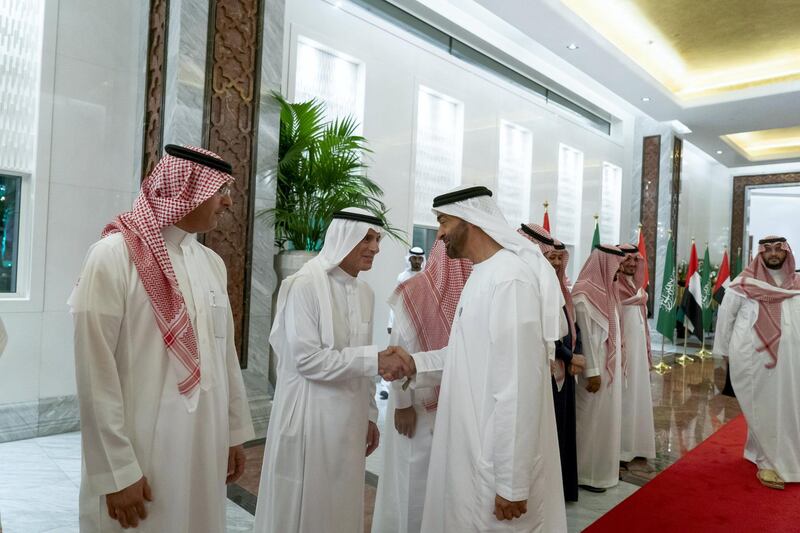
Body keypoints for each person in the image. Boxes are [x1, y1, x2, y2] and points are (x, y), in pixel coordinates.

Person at [69, 144, 254, 532]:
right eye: (220, 190)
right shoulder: (113, 256)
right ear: (186, 190)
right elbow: (94, 371)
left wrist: (233, 434)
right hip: (141, 453)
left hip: (204, 444)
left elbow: (224, 356)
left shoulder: (211, 264)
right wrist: (117, 471)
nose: (228, 201)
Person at [383, 185, 566, 532]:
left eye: (443, 222)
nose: (439, 234)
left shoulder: (510, 280)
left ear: (471, 220)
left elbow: (518, 389)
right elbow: (469, 355)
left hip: (496, 465)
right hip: (471, 448)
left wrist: (512, 483)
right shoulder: (483, 274)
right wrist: (414, 363)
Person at [254, 208, 410, 533]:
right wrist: (376, 360)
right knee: (305, 506)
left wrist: (369, 414)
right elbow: (308, 360)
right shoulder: (303, 285)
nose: (375, 247)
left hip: (349, 423)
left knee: (341, 504)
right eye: (367, 238)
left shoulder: (365, 293)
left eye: (377, 239)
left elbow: (364, 365)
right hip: (310, 419)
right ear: (344, 237)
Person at [372, 239, 472, 533]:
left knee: (438, 481)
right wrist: (402, 405)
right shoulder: (413, 292)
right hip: (415, 405)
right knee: (411, 479)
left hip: (451, 405)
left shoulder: (470, 296)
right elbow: (398, 352)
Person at [714, 236, 800, 489]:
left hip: (792, 361)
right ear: (759, 254)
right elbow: (725, 321)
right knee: (765, 406)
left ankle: (757, 450)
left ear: (787, 253)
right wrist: (722, 356)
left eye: (778, 249)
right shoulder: (742, 284)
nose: (773, 254)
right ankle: (770, 461)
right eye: (768, 250)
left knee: (787, 406)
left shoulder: (796, 284)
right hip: (754, 360)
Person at [518, 223, 584, 502]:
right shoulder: (531, 284)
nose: (556, 262)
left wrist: (574, 354)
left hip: (564, 369)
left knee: (564, 432)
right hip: (547, 368)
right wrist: (570, 356)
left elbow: (571, 326)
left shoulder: (560, 287)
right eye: (551, 257)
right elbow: (543, 331)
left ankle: (563, 489)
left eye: (559, 257)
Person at [572, 244, 627, 493]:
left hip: (607, 365)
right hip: (593, 370)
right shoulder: (584, 294)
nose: (619, 272)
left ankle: (604, 471)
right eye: (615, 266)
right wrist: (592, 372)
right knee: (589, 421)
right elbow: (584, 338)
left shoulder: (608, 291)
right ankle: (586, 474)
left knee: (606, 421)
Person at [616, 244, 656, 465]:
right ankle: (621, 448)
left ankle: (637, 445)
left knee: (638, 393)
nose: (631, 264)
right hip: (623, 352)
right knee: (625, 395)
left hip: (638, 352)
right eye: (627, 260)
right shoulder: (613, 286)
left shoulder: (637, 286)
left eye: (635, 260)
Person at [387, 246, 426, 335]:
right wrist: (390, 323)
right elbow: (395, 301)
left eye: (420, 259)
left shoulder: (426, 277)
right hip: (403, 319)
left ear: (423, 260)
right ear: (409, 259)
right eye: (414, 258)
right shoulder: (402, 277)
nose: (417, 261)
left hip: (420, 321)